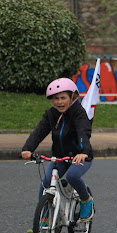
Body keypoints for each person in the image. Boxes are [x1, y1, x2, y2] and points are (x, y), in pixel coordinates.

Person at [21, 77, 94, 221]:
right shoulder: (51, 114)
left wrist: (83, 152)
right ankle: (44, 220)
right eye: (55, 98)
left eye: (63, 98)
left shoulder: (79, 113)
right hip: (59, 157)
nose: (59, 102)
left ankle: (86, 200)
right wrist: (27, 149)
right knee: (46, 183)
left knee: (72, 176)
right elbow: (39, 132)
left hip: (80, 156)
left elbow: (83, 132)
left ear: (72, 97)